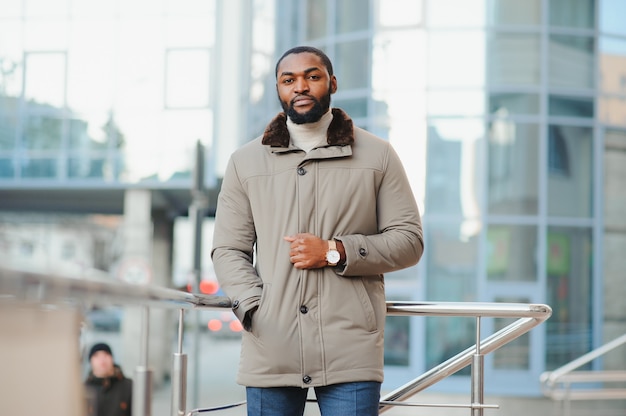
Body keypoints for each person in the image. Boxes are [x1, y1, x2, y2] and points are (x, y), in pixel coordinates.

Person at [211, 45, 424, 416]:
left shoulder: (378, 155)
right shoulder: (244, 162)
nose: (301, 87)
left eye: (312, 76)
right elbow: (228, 249)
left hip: (350, 347)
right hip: (271, 347)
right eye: (288, 79)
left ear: (332, 83)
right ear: (278, 89)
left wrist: (334, 250)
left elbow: (409, 241)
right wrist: (255, 310)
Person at [84, 342, 133, 416]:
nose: (102, 359)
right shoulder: (84, 390)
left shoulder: (129, 386)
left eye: (106, 354)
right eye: (96, 356)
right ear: (91, 361)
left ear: (112, 358)